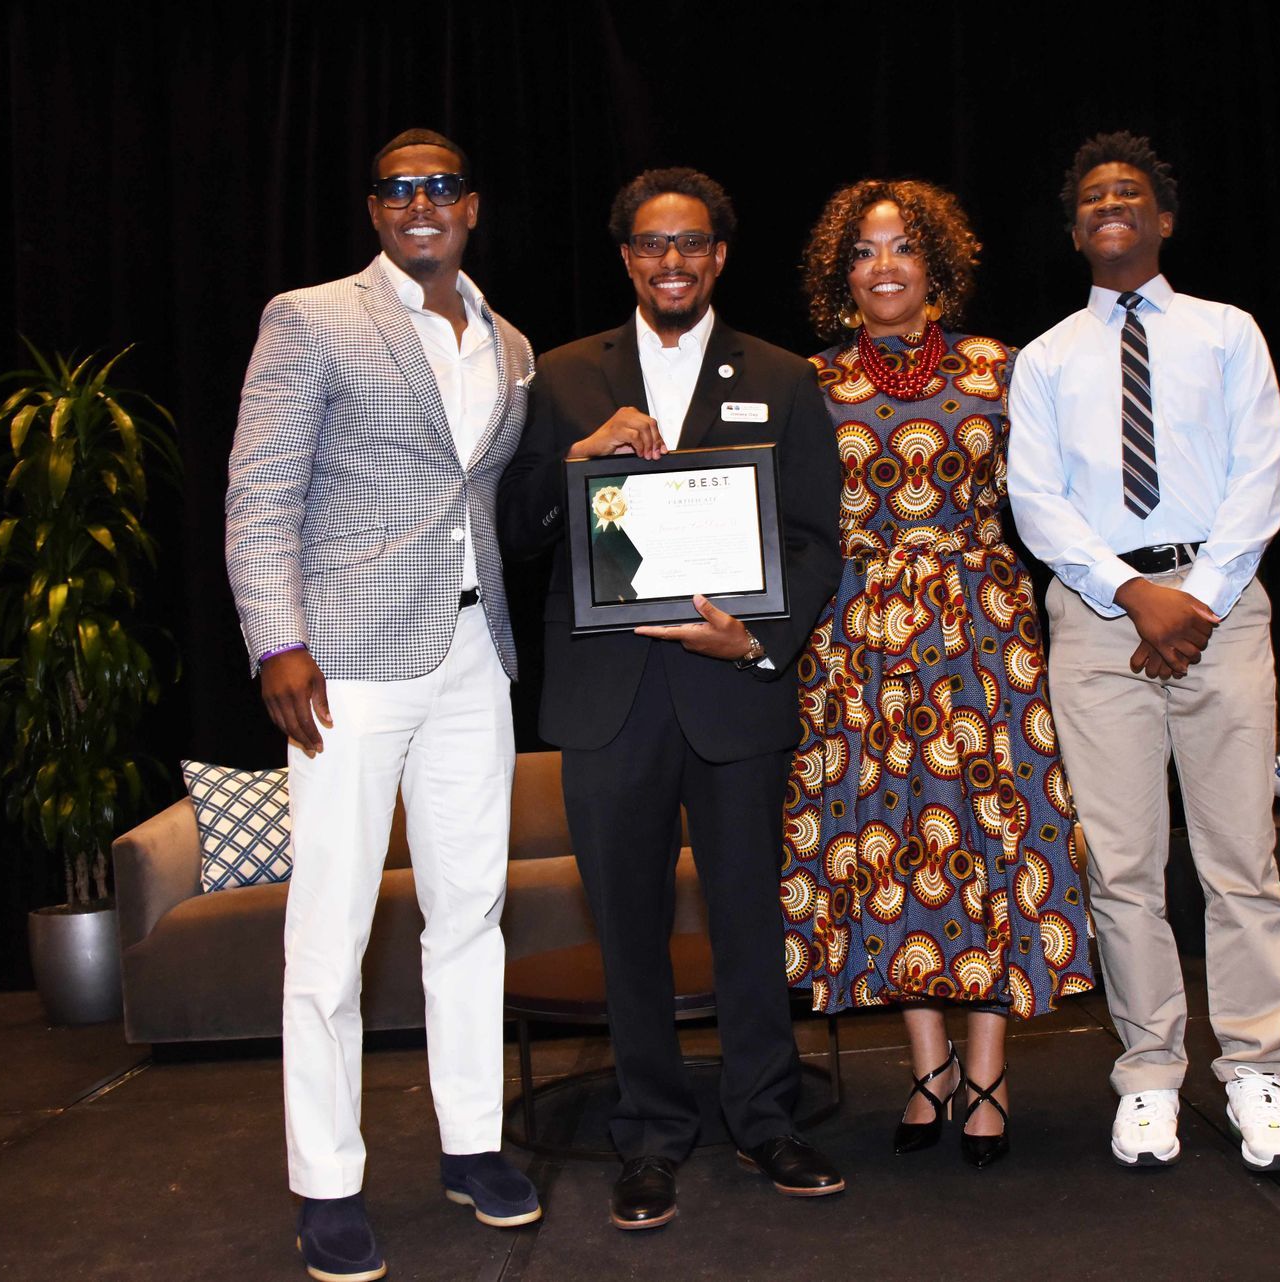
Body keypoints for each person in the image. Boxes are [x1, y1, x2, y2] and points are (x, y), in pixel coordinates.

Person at [497, 167, 845, 1231]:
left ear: (721, 256)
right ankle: (648, 1134)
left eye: (692, 243)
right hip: (608, 701)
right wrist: (574, 461)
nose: (673, 262)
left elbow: (814, 535)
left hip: (732, 689)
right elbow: (510, 531)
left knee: (747, 917)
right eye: (652, 245)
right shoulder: (559, 378)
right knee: (630, 929)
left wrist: (759, 639)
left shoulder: (781, 376)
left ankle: (766, 1118)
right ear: (626, 258)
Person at [225, 128, 542, 1282]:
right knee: (332, 934)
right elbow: (260, 494)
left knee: (471, 914)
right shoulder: (310, 318)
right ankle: (327, 1182)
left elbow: (491, 489)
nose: (422, 204)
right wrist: (281, 640)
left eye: (441, 186)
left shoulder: (507, 343)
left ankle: (474, 1147)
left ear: (471, 204)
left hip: (473, 655)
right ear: (375, 210)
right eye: (399, 189)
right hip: (347, 661)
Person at [1007, 131, 1280, 1173]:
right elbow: (1036, 504)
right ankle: (1148, 1072)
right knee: (1125, 865)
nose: (1111, 203)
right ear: (1075, 229)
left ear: (1163, 219)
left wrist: (1194, 600)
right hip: (1101, 620)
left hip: (1220, 608)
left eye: (1129, 190)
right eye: (1092, 195)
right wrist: (1135, 596)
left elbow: (1260, 479)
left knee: (1240, 860)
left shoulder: (1229, 334)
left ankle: (1255, 1070)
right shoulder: (1045, 358)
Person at [782, 180, 1094, 1169]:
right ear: (845, 274)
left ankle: (989, 1070)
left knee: (992, 840)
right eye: (865, 251)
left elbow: (1054, 493)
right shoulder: (810, 381)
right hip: (858, 643)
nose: (884, 265)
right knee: (890, 851)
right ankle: (928, 1069)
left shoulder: (1003, 367)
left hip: (981, 638)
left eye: (904, 247)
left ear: (938, 266)